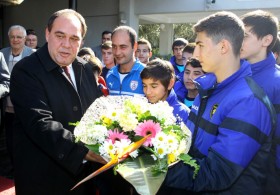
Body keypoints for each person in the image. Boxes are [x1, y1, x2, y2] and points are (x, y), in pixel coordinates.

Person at [158, 11, 276, 195]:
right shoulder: (208, 88)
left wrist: (152, 170)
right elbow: (190, 147)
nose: (194, 54)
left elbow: (216, 173)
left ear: (223, 47)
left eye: (200, 45)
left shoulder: (248, 102)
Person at [10, 9, 106, 195]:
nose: (66, 44)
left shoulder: (85, 68)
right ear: (47, 34)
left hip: (83, 180)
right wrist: (85, 151)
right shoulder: (26, 71)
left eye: (74, 39)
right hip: (42, 181)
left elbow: (96, 112)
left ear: (82, 42)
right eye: (60, 35)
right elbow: (40, 124)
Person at [240, 10, 280, 194]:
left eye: (245, 36)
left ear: (266, 40)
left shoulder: (276, 82)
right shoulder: (232, 75)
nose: (238, 41)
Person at [0, 25, 35, 165]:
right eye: (12, 37)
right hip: (7, 108)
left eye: (19, 37)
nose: (15, 40)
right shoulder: (2, 53)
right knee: (9, 140)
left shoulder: (33, 55)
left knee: (26, 141)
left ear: (25, 39)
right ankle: (13, 167)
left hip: (25, 106)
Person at [140, 58, 189, 125]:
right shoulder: (141, 109)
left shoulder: (183, 113)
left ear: (170, 84)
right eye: (144, 85)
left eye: (154, 86)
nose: (148, 92)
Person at [106, 25, 145, 96]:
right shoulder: (110, 74)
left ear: (135, 46)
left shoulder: (146, 73)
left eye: (123, 47)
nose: (117, 52)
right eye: (114, 46)